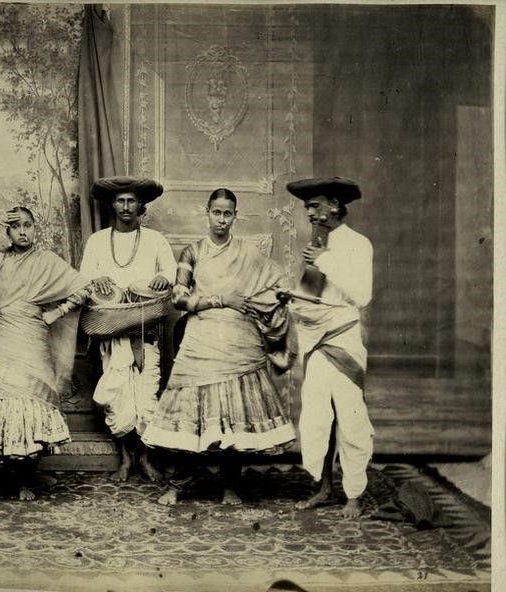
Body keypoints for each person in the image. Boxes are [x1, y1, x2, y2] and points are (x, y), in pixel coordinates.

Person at [141, 188, 296, 505]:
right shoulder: (192, 252)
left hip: (240, 340)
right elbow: (178, 297)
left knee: (235, 418)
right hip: (201, 340)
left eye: (228, 213)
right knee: (187, 416)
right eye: (216, 212)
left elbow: (275, 283)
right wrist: (220, 299)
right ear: (207, 212)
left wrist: (278, 300)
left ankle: (230, 485)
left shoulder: (248, 253)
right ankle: (179, 485)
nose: (222, 219)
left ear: (235, 216)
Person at [0, 206, 91, 506]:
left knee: (32, 404)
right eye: (16, 227)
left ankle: (26, 477)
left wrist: (58, 311)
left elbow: (83, 288)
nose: (23, 231)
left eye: (28, 225)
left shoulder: (46, 261)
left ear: (35, 228)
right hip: (3, 338)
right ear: (8, 232)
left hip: (33, 338)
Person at [285, 177, 374, 519]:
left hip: (344, 337)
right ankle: (323, 488)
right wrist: (290, 300)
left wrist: (325, 260)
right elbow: (312, 297)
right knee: (316, 417)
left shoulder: (358, 244)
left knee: (350, 417)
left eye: (315, 205)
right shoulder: (316, 243)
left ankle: (354, 494)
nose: (309, 212)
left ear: (335, 206)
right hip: (315, 341)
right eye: (307, 207)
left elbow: (361, 295)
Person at [80, 176, 177, 482]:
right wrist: (96, 281)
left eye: (131, 201)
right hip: (111, 335)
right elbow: (83, 279)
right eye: (120, 201)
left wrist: (163, 278)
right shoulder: (97, 241)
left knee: (147, 401)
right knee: (118, 402)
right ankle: (125, 458)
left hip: (145, 333)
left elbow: (171, 272)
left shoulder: (155, 240)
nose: (125, 207)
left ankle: (146, 459)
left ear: (141, 206)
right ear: (112, 205)